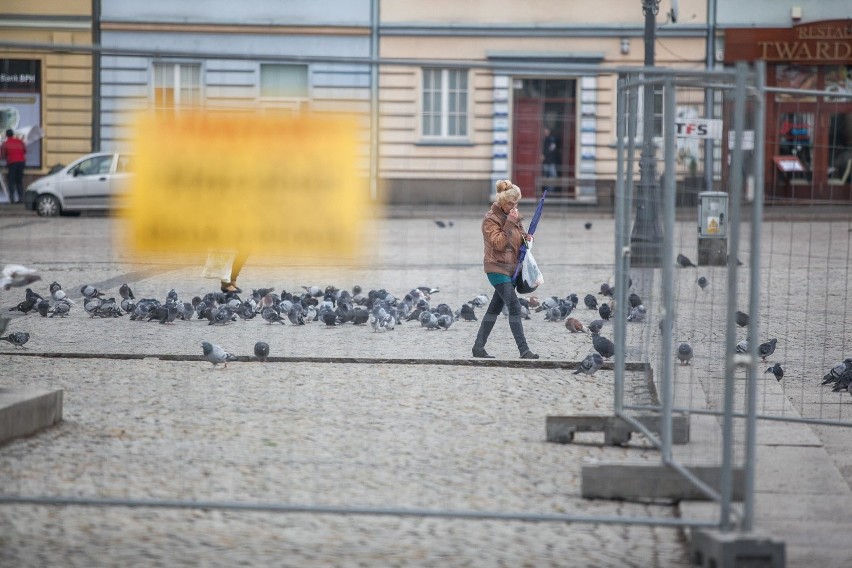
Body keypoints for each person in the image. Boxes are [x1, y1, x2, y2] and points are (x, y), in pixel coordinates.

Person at [472, 179, 539, 359]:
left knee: (494, 309)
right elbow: (498, 244)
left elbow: (520, 237)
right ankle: (524, 351)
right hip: (496, 268)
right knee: (515, 307)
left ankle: (478, 347)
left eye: (516, 203)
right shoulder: (490, 220)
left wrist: (527, 238)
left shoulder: (514, 215)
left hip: (513, 269)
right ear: (502, 201)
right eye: (510, 203)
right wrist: (509, 223)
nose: (514, 206)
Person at [1, 129, 26, 204]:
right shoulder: (20, 141)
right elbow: (25, 151)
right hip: (21, 162)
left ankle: (12, 199)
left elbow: (2, 155)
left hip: (12, 163)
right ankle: (21, 198)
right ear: (13, 134)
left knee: (11, 181)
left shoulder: (5, 143)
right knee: (19, 180)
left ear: (6, 135)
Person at [541, 127, 559, 191]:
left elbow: (552, 148)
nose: (545, 132)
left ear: (549, 132)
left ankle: (551, 191)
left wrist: (544, 155)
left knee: (553, 176)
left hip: (551, 161)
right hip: (545, 162)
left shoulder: (552, 139)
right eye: (544, 131)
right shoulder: (542, 139)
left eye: (546, 131)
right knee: (545, 177)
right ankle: (545, 191)